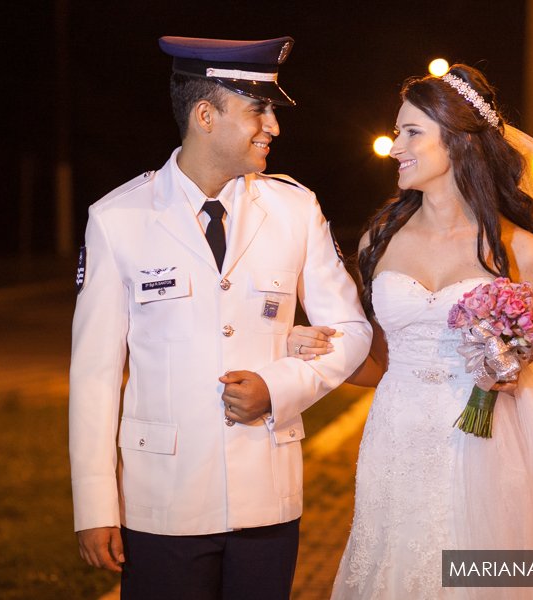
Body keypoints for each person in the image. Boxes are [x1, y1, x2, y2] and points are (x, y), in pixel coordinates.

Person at [287, 65, 533, 599]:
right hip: (396, 440)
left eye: (412, 133)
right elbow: (380, 360)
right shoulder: (378, 240)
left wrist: (508, 371)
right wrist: (314, 350)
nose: (394, 147)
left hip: (489, 446)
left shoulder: (518, 250)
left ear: (455, 142)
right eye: (397, 131)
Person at [68, 35, 372, 600]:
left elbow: (351, 331)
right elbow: (95, 375)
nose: (273, 127)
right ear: (205, 115)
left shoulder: (294, 209)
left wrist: (278, 387)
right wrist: (94, 503)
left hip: (266, 495)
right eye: (258, 109)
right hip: (163, 500)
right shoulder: (118, 218)